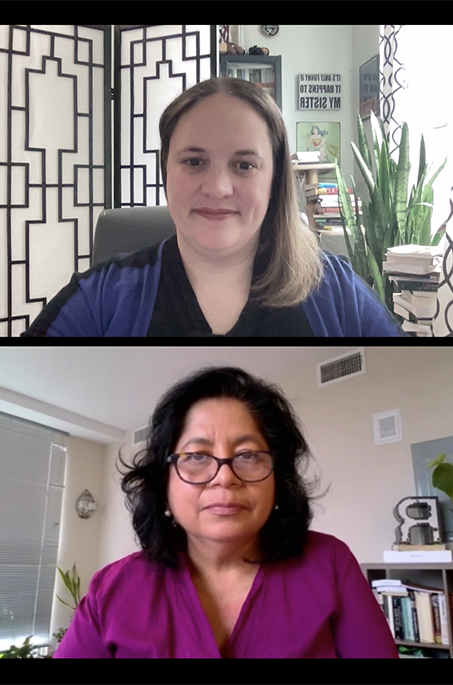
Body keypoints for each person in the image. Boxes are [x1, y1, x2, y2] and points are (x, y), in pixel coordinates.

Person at [54, 366, 398, 658]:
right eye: (197, 456)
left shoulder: (329, 563)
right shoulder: (111, 591)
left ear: (278, 477)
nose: (225, 478)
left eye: (248, 455)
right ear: (164, 482)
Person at [22, 77, 403, 337]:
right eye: (194, 161)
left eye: (244, 165)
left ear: (274, 179)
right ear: (165, 173)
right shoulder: (101, 298)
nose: (219, 188)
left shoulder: (337, 292)